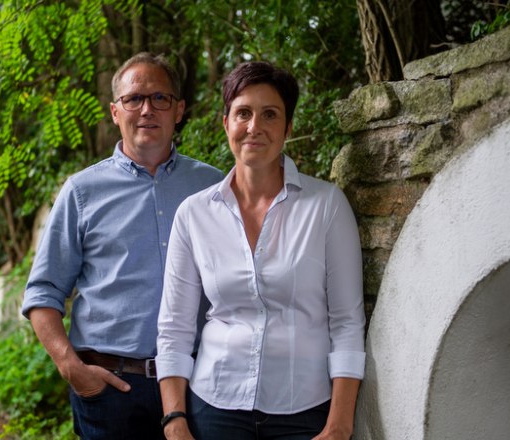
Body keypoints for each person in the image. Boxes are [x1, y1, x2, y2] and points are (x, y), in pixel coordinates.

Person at [156, 61, 366, 440]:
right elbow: (174, 327)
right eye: (243, 113)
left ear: (287, 128)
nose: (254, 127)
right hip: (214, 406)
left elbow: (348, 323)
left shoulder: (327, 206)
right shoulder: (193, 215)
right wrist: (175, 419)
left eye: (270, 114)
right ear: (226, 124)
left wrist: (339, 424)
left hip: (305, 409)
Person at [22, 52, 224, 440]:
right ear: (116, 112)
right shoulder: (82, 192)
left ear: (179, 110)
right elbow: (42, 293)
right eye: (134, 99)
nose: (146, 109)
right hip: (111, 391)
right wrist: (72, 368)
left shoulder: (214, 187)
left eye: (159, 98)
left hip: (198, 385)